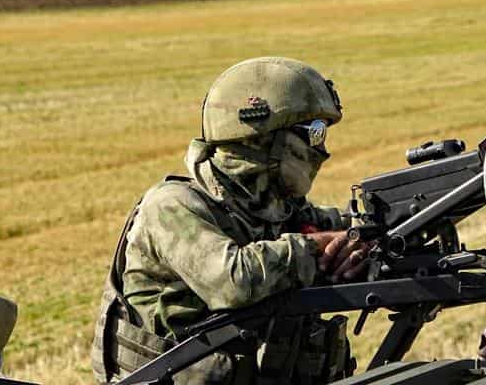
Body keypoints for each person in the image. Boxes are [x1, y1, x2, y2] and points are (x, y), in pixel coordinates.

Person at [92, 57, 370, 384]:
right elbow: (233, 281)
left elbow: (339, 226)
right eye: (314, 133)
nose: (321, 149)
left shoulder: (271, 206)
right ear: (263, 137)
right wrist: (314, 249)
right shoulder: (171, 206)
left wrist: (372, 233)